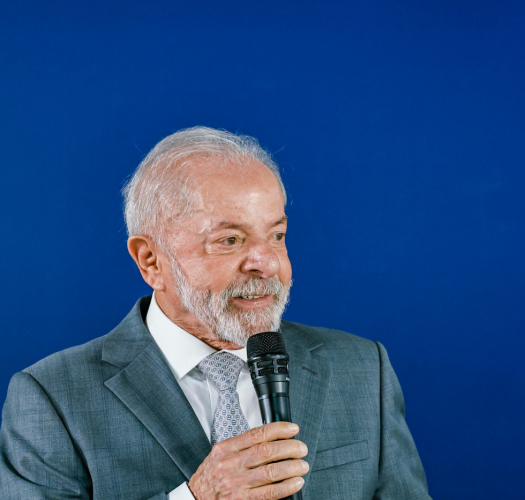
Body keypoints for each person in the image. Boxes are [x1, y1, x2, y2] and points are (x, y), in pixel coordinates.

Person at [0, 127, 430, 500]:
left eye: (277, 235)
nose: (266, 263)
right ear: (151, 260)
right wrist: (196, 497)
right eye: (229, 240)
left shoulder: (363, 369)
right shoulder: (51, 399)